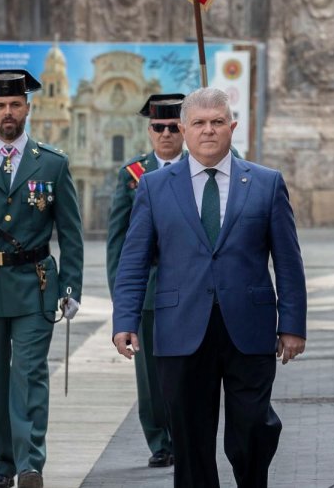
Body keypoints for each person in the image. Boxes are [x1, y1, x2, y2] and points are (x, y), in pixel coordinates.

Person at [112, 87, 308, 488]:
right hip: (181, 329)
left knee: (253, 428)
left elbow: (288, 261)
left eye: (217, 122)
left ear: (232, 127)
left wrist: (292, 324)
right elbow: (132, 261)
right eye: (198, 123)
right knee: (190, 439)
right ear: (183, 129)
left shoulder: (267, 183)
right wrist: (124, 320)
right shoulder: (154, 186)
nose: (208, 131)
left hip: (248, 329)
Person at [0, 69, 83, 488]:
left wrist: (70, 287)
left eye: (16, 104)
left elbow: (70, 233)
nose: (8, 112)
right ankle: (0, 464)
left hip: (35, 285)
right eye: (0, 106)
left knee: (30, 375)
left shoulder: (51, 163)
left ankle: (29, 463)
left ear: (28, 108)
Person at [106, 93, 187, 469]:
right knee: (151, 375)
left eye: (174, 127)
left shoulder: (204, 167)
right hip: (150, 291)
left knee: (190, 368)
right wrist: (123, 304)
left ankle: (187, 433)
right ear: (149, 130)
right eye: (159, 127)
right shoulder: (134, 176)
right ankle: (160, 440)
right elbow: (118, 244)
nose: (167, 134)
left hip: (192, 286)